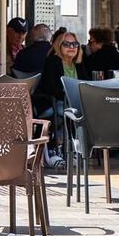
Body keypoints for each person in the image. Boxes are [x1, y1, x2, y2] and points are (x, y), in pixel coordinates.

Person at [38, 32, 83, 168]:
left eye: (74, 44)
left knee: (84, 110)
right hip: (52, 102)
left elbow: (86, 83)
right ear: (59, 46)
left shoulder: (78, 64)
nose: (71, 47)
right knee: (66, 110)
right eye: (66, 44)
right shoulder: (53, 61)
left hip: (72, 102)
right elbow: (49, 87)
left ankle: (74, 150)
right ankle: (54, 150)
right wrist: (68, 93)